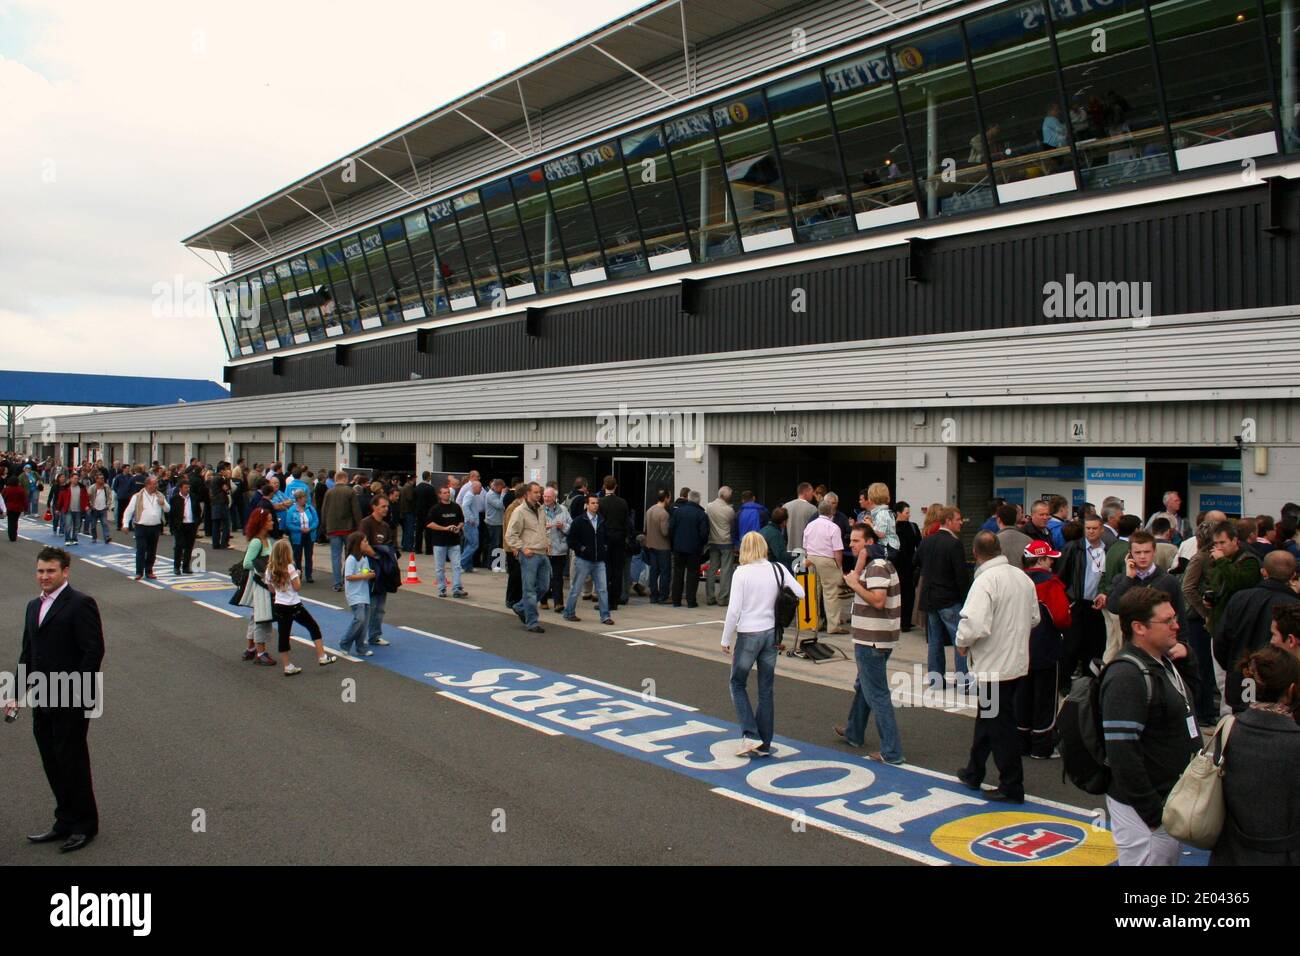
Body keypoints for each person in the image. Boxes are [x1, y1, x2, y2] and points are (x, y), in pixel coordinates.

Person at [7, 547, 105, 852]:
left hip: (70, 698)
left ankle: (85, 825)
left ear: (65, 572)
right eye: (40, 571)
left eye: (50, 571)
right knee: (52, 761)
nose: (44, 576)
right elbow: (28, 653)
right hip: (43, 697)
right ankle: (64, 820)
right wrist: (16, 694)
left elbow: (93, 651)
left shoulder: (80, 604)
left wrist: (74, 691)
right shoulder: (31, 607)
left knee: (72, 762)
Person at [1101, 586, 1201, 866]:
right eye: (1167, 621)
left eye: (1175, 618)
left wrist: (1189, 659)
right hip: (1146, 815)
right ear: (1139, 627)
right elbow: (1122, 753)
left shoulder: (1162, 661)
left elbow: (1187, 707)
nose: (1176, 625)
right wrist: (1154, 815)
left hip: (1167, 804)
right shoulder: (1126, 676)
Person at [955, 532, 1037, 803]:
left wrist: (962, 642)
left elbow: (974, 623)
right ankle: (974, 770)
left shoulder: (985, 581)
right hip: (1016, 660)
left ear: (976, 554)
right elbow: (1034, 617)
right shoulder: (1022, 577)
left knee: (1000, 725)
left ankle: (1012, 783)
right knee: (989, 717)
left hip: (993, 664)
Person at [1210, 646, 1300, 865]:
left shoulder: (1229, 729)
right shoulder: (1294, 739)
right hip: (1284, 855)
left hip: (1231, 852)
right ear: (1291, 690)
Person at [721, 531, 805, 758]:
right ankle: (764, 742)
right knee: (766, 689)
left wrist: (726, 638)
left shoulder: (742, 573)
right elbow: (801, 592)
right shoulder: (777, 568)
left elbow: (734, 610)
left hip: (749, 633)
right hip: (771, 633)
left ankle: (750, 734)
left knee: (737, 683)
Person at [833, 525, 904, 764]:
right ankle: (854, 731)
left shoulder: (877, 567)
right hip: (875, 637)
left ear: (870, 542)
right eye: (851, 541)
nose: (851, 545)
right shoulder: (877, 564)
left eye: (857, 541)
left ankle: (892, 751)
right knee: (864, 686)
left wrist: (855, 584)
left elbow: (878, 601)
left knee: (877, 693)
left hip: (872, 640)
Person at [1214, 550, 1300, 712]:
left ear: (1263, 572)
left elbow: (1221, 640)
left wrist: (1235, 667)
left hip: (1242, 682)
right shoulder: (1293, 607)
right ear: (1293, 575)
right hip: (1279, 691)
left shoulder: (1239, 598)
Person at [1019, 539, 1070, 758]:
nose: (1051, 563)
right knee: (1045, 699)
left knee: (1022, 696)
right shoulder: (1051, 584)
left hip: (1020, 648)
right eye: (1049, 559)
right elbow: (1062, 618)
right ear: (1041, 559)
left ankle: (1021, 741)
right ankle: (1041, 745)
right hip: (1045, 647)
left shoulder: (1017, 581)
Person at [916, 506, 972, 691]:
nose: (961, 522)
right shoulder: (954, 544)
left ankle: (935, 680)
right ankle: (963, 680)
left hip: (930, 598)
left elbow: (915, 564)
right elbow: (961, 575)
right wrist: (967, 600)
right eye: (958, 519)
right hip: (949, 599)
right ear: (948, 521)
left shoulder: (927, 541)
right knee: (960, 640)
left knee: (935, 641)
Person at [266, 538, 337, 675]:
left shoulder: (270, 569)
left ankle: (287, 665)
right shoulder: (290, 567)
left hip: (280, 605)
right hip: (294, 605)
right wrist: (297, 576)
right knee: (312, 626)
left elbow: (271, 589)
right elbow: (297, 587)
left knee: (284, 635)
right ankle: (321, 655)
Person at [506, 482, 550, 633]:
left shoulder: (541, 509)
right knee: (529, 589)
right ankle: (532, 622)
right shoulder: (519, 511)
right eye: (536, 492)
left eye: (540, 492)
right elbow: (510, 535)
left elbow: (542, 528)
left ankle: (519, 606)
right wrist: (522, 548)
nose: (539, 495)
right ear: (527, 494)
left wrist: (547, 542)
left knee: (544, 586)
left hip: (543, 552)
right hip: (529, 554)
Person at [564, 494, 614, 625]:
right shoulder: (579, 521)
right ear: (587, 505)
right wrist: (582, 549)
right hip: (584, 560)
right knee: (576, 588)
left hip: (599, 561)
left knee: (602, 589)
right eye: (593, 503)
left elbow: (607, 537)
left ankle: (605, 616)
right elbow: (571, 540)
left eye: (597, 503)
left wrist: (605, 548)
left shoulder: (602, 520)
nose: (596, 505)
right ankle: (569, 612)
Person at [804, 496, 849, 634]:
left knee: (813, 592)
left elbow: (805, 546)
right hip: (827, 560)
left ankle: (814, 624)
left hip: (811, 559)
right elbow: (837, 550)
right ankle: (833, 625)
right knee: (832, 593)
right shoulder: (833, 527)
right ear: (832, 512)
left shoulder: (810, 525)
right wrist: (839, 566)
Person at [358, 496, 396, 647]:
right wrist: (376, 555)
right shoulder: (366, 523)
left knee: (380, 606)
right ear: (374, 507)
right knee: (370, 604)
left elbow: (389, 545)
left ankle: (375, 635)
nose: (386, 509)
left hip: (382, 568)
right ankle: (362, 636)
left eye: (387, 506)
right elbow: (362, 545)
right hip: (369, 565)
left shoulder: (386, 526)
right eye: (382, 506)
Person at [323, 470, 362, 593]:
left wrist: (324, 527)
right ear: (345, 479)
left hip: (333, 529)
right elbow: (356, 511)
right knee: (349, 555)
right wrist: (359, 526)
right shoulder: (350, 491)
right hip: (348, 528)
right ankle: (347, 579)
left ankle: (337, 583)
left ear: (335, 479)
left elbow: (324, 510)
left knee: (335, 556)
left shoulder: (329, 492)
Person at [669, 489, 709, 608]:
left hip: (679, 548)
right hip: (694, 549)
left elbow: (671, 529)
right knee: (692, 575)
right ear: (699, 501)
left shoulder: (678, 512)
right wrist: (701, 545)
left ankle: (676, 600)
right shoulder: (701, 514)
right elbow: (704, 533)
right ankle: (691, 601)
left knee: (678, 574)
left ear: (688, 498)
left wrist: (674, 543)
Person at [426, 485, 468, 599]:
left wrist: (458, 527)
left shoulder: (456, 507)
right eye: (444, 493)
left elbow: (461, 520)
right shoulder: (435, 509)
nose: (447, 494)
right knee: (440, 567)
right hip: (439, 542)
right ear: (439, 495)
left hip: (454, 542)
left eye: (448, 492)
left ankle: (457, 588)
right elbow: (430, 524)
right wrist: (445, 528)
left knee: (457, 566)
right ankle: (441, 588)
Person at [339, 531, 376, 658]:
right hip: (355, 594)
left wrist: (369, 573)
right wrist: (365, 575)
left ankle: (361, 647)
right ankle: (345, 642)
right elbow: (349, 576)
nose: (367, 543)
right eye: (364, 541)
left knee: (364, 622)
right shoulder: (351, 559)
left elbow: (364, 571)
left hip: (364, 594)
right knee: (359, 619)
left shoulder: (364, 558)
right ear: (357, 543)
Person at [125, 475, 169, 580]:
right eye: (154, 484)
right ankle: (139, 572)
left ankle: (149, 570)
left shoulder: (160, 495)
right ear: (148, 484)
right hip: (141, 526)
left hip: (155, 527)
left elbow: (168, 509)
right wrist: (125, 524)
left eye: (156, 484)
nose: (156, 486)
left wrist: (163, 504)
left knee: (152, 550)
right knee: (141, 548)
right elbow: (129, 511)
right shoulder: (137, 496)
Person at [598, 477, 631, 611]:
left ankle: (605, 600)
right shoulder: (622, 503)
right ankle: (615, 600)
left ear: (604, 486)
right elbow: (626, 522)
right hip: (619, 538)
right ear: (615, 486)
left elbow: (599, 522)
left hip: (605, 538)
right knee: (618, 570)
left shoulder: (600, 503)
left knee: (605, 570)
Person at [704, 486, 737, 607]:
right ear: (727, 497)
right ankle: (722, 598)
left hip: (713, 541)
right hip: (726, 542)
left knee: (712, 569)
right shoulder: (729, 510)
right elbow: (733, 524)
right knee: (726, 570)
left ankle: (710, 597)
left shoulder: (709, 506)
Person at [541, 486, 570, 611]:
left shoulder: (563, 510)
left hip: (559, 549)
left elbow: (571, 526)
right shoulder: (539, 509)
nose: (546, 499)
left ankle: (559, 603)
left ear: (554, 498)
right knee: (544, 576)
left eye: (549, 497)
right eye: (545, 496)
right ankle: (543, 600)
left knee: (558, 577)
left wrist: (563, 526)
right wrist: (543, 528)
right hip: (544, 549)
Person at [893, 501, 921, 633]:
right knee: (899, 594)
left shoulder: (913, 526)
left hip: (909, 566)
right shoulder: (892, 528)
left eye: (909, 512)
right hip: (897, 565)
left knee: (908, 594)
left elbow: (919, 546)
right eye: (906, 513)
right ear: (898, 513)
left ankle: (906, 621)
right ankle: (901, 621)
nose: (909, 515)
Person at [284, 488, 319, 583]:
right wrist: (299, 529)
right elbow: (289, 524)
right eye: (304, 497)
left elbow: (316, 520)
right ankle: (298, 574)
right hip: (297, 536)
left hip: (309, 535)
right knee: (297, 556)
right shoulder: (292, 510)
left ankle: (309, 575)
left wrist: (310, 528)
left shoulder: (310, 508)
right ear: (298, 499)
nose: (306, 499)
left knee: (309, 556)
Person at [643, 490, 672, 604]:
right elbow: (665, 532)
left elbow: (645, 528)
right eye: (669, 498)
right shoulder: (664, 514)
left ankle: (653, 595)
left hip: (651, 545)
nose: (670, 500)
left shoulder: (649, 510)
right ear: (665, 498)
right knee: (665, 572)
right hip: (663, 546)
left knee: (653, 571)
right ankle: (663, 596)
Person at [168, 478, 201, 575]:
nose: (187, 489)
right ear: (180, 489)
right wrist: (172, 527)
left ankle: (186, 566)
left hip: (191, 525)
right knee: (179, 546)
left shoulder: (193, 497)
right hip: (180, 526)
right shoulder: (175, 499)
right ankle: (176, 567)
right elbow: (171, 514)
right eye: (185, 488)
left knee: (189, 547)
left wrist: (197, 522)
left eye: (188, 488)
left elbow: (198, 511)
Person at [781, 482, 818, 553]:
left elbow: (782, 531)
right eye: (812, 492)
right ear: (806, 492)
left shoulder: (785, 506)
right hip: (806, 551)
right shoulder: (813, 509)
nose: (813, 495)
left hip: (788, 550)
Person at [995, 503, 1030, 571]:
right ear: (1016, 519)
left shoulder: (992, 542)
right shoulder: (1029, 540)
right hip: (1023, 580)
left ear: (998, 520)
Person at [759, 506, 794, 571]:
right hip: (772, 568)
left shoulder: (763, 530)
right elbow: (781, 555)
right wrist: (798, 556)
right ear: (784, 522)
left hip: (761, 565)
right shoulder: (775, 534)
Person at [85, 474, 113, 545]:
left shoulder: (106, 487)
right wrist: (91, 505)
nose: (102, 480)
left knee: (105, 523)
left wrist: (108, 505)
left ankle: (107, 537)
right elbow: (88, 497)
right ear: (96, 479)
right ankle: (94, 537)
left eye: (103, 478)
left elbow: (109, 496)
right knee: (93, 525)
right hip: (94, 509)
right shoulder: (92, 488)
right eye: (100, 479)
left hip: (103, 508)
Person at [4, 475, 27, 542]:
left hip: (9, 507)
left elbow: (3, 498)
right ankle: (14, 535)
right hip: (18, 508)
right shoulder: (21, 490)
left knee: (10, 522)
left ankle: (11, 536)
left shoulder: (6, 489)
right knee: (15, 521)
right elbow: (24, 500)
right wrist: (25, 508)